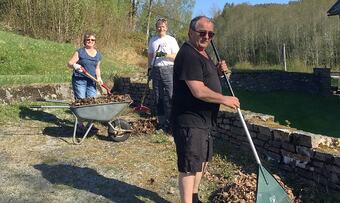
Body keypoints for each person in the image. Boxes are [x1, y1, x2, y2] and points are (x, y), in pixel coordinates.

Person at [171, 16, 240, 203]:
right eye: (202, 32)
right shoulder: (188, 54)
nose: (206, 37)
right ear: (190, 32)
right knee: (189, 166)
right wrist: (224, 99)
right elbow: (198, 90)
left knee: (201, 162)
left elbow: (204, 77)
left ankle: (194, 198)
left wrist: (217, 71)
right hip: (189, 119)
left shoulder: (202, 53)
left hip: (204, 120)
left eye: (211, 34)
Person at [67, 32, 103, 133]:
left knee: (92, 102)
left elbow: (97, 67)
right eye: (88, 40)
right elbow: (69, 63)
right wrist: (74, 66)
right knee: (81, 102)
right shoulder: (80, 52)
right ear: (84, 41)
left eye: (92, 40)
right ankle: (79, 124)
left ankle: (90, 124)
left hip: (92, 81)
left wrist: (99, 77)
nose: (90, 41)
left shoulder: (98, 54)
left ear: (95, 42)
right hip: (80, 80)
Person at [148, 18, 179, 132]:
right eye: (159, 26)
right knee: (158, 96)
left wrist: (164, 54)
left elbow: (177, 56)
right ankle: (161, 122)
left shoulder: (171, 40)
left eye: (163, 26)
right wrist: (149, 68)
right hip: (155, 69)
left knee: (171, 95)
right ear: (156, 28)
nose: (161, 28)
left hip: (168, 69)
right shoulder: (153, 40)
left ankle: (173, 122)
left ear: (166, 28)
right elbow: (150, 56)